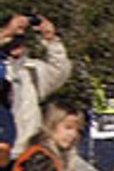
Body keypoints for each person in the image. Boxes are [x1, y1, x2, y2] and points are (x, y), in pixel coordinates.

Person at [3, 14, 73, 161]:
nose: (17, 44)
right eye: (13, 40)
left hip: (24, 151)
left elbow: (59, 72)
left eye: (21, 40)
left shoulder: (30, 69)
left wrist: (50, 40)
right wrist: (6, 31)